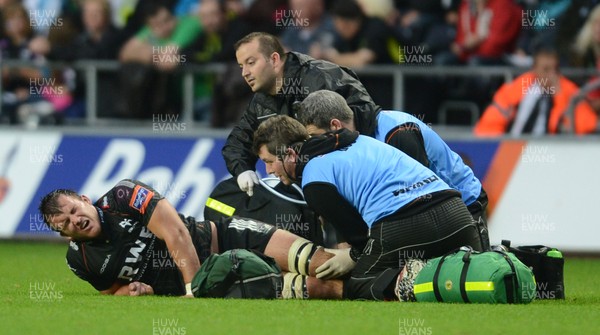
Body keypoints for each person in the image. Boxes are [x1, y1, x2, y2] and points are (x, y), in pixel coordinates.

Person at [253, 115, 483, 301]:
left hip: (406, 222)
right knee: (475, 276)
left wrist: (352, 256)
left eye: (269, 161)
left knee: (357, 284)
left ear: (291, 154)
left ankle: (413, 279)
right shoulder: (357, 140)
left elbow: (360, 238)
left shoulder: (313, 180)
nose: (269, 171)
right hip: (457, 213)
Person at [39, 179, 343, 299]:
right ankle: (384, 291)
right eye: (64, 225)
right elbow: (111, 292)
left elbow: (176, 233)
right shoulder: (78, 260)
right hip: (216, 282)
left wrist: (192, 289)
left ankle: (383, 274)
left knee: (321, 262)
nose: (75, 221)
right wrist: (136, 291)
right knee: (319, 287)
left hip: (222, 239)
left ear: (84, 199)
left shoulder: (123, 196)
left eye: (74, 211)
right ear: (63, 235)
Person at [296, 90, 490, 249]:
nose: (315, 145)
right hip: (434, 212)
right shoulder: (353, 143)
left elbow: (420, 199)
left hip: (465, 204)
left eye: (315, 136)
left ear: (335, 125)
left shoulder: (398, 132)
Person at [224, 31, 380, 197]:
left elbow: (364, 116)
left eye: (251, 63)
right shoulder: (261, 100)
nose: (244, 73)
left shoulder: (321, 77)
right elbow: (238, 141)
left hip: (352, 181)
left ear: (274, 60)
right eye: (242, 66)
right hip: (305, 185)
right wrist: (243, 170)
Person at [474, 47, 598, 136]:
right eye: (546, 70)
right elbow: (489, 124)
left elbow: (586, 125)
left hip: (553, 151)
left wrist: (559, 95)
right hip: (512, 148)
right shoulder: (516, 88)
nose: (551, 75)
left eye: (555, 69)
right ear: (534, 70)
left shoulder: (568, 91)